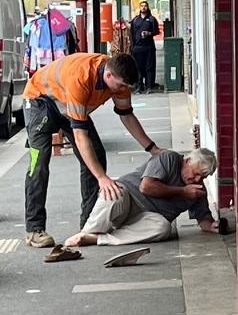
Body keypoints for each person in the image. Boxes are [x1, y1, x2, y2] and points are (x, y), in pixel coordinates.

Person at [22, 52, 161, 248]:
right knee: (39, 163)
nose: (122, 90)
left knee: (96, 156)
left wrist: (152, 148)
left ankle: (88, 225)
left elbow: (127, 116)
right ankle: (34, 229)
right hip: (40, 100)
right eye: (121, 86)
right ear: (109, 75)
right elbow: (80, 135)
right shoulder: (81, 77)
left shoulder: (118, 79)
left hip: (66, 104)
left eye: (126, 87)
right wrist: (102, 178)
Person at [64, 148, 218, 247]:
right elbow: (146, 187)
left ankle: (97, 239)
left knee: (163, 228)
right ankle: (87, 232)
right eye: (196, 173)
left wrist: (213, 226)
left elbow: (204, 221)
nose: (197, 179)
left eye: (203, 177)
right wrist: (182, 191)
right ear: (187, 161)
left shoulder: (197, 190)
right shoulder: (169, 158)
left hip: (147, 218)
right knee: (114, 192)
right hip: (129, 196)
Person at [130, 1, 159, 94]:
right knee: (138, 68)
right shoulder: (135, 20)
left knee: (149, 67)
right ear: (139, 8)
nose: (143, 8)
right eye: (142, 6)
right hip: (137, 48)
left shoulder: (151, 19)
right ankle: (139, 87)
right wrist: (132, 47)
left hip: (149, 47)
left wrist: (149, 33)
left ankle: (149, 86)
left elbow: (156, 31)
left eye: (145, 6)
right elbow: (131, 34)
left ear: (147, 7)